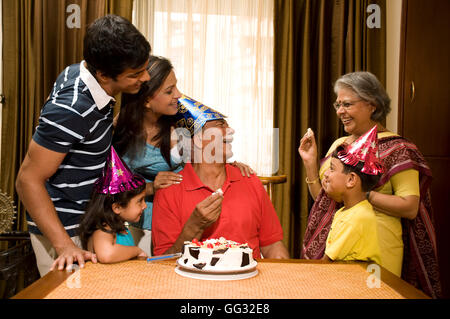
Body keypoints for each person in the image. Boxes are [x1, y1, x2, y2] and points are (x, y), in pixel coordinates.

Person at [15, 14, 151, 275]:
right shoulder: (71, 109)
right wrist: (65, 246)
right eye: (136, 73)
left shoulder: (79, 72)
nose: (144, 77)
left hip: (85, 219)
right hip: (63, 228)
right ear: (103, 73)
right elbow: (27, 180)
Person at [298, 71, 441, 298]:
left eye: (347, 104)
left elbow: (411, 207)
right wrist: (310, 164)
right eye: (337, 105)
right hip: (337, 245)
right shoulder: (339, 144)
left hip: (379, 252)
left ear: (372, 105)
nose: (339, 111)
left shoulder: (399, 148)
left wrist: (362, 195)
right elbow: (324, 199)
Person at [113, 56, 255, 256]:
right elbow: (113, 189)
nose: (178, 95)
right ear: (146, 100)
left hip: (186, 219)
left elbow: (205, 150)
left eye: (176, 87)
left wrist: (228, 165)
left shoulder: (181, 119)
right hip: (144, 225)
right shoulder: (122, 132)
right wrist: (152, 187)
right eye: (169, 91)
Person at [151, 97, 290, 259]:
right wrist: (193, 228)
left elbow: (272, 245)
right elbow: (162, 263)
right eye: (220, 125)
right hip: (193, 283)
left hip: (249, 282)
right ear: (198, 139)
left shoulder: (249, 180)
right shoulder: (169, 191)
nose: (231, 130)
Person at [74, 146, 147, 264]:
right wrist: (136, 251)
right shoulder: (103, 230)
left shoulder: (121, 229)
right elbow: (106, 255)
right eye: (140, 201)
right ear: (117, 207)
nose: (145, 206)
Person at [322, 126, 382, 266]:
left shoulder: (355, 218)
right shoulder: (346, 212)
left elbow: (326, 263)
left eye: (331, 169)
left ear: (351, 180)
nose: (326, 174)